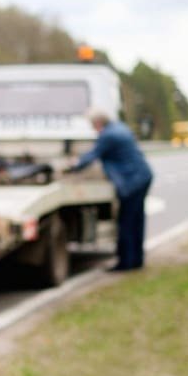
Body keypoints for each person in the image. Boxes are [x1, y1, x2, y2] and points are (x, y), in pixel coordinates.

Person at [66, 109, 153, 272]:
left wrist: (72, 166)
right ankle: (137, 259)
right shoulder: (119, 128)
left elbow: (93, 154)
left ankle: (126, 263)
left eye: (93, 125)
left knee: (126, 222)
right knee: (136, 221)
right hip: (142, 176)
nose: (93, 128)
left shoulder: (108, 136)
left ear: (98, 122)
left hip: (132, 181)